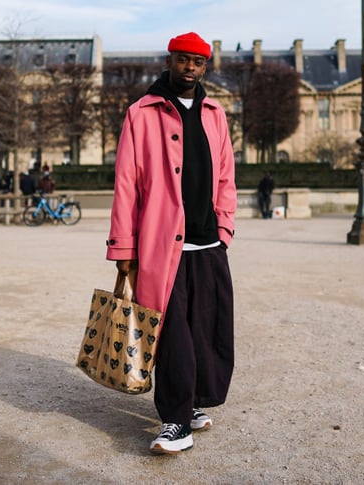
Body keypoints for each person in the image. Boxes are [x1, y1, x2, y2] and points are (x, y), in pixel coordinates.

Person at [105, 32, 236, 455]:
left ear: (205, 67)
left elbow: (226, 177)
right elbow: (126, 184)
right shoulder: (141, 113)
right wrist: (123, 248)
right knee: (172, 334)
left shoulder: (216, 114)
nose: (190, 69)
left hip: (208, 243)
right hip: (162, 246)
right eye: (183, 60)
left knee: (207, 330)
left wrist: (226, 228)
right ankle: (176, 422)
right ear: (170, 60)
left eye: (198, 63)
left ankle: (194, 402)